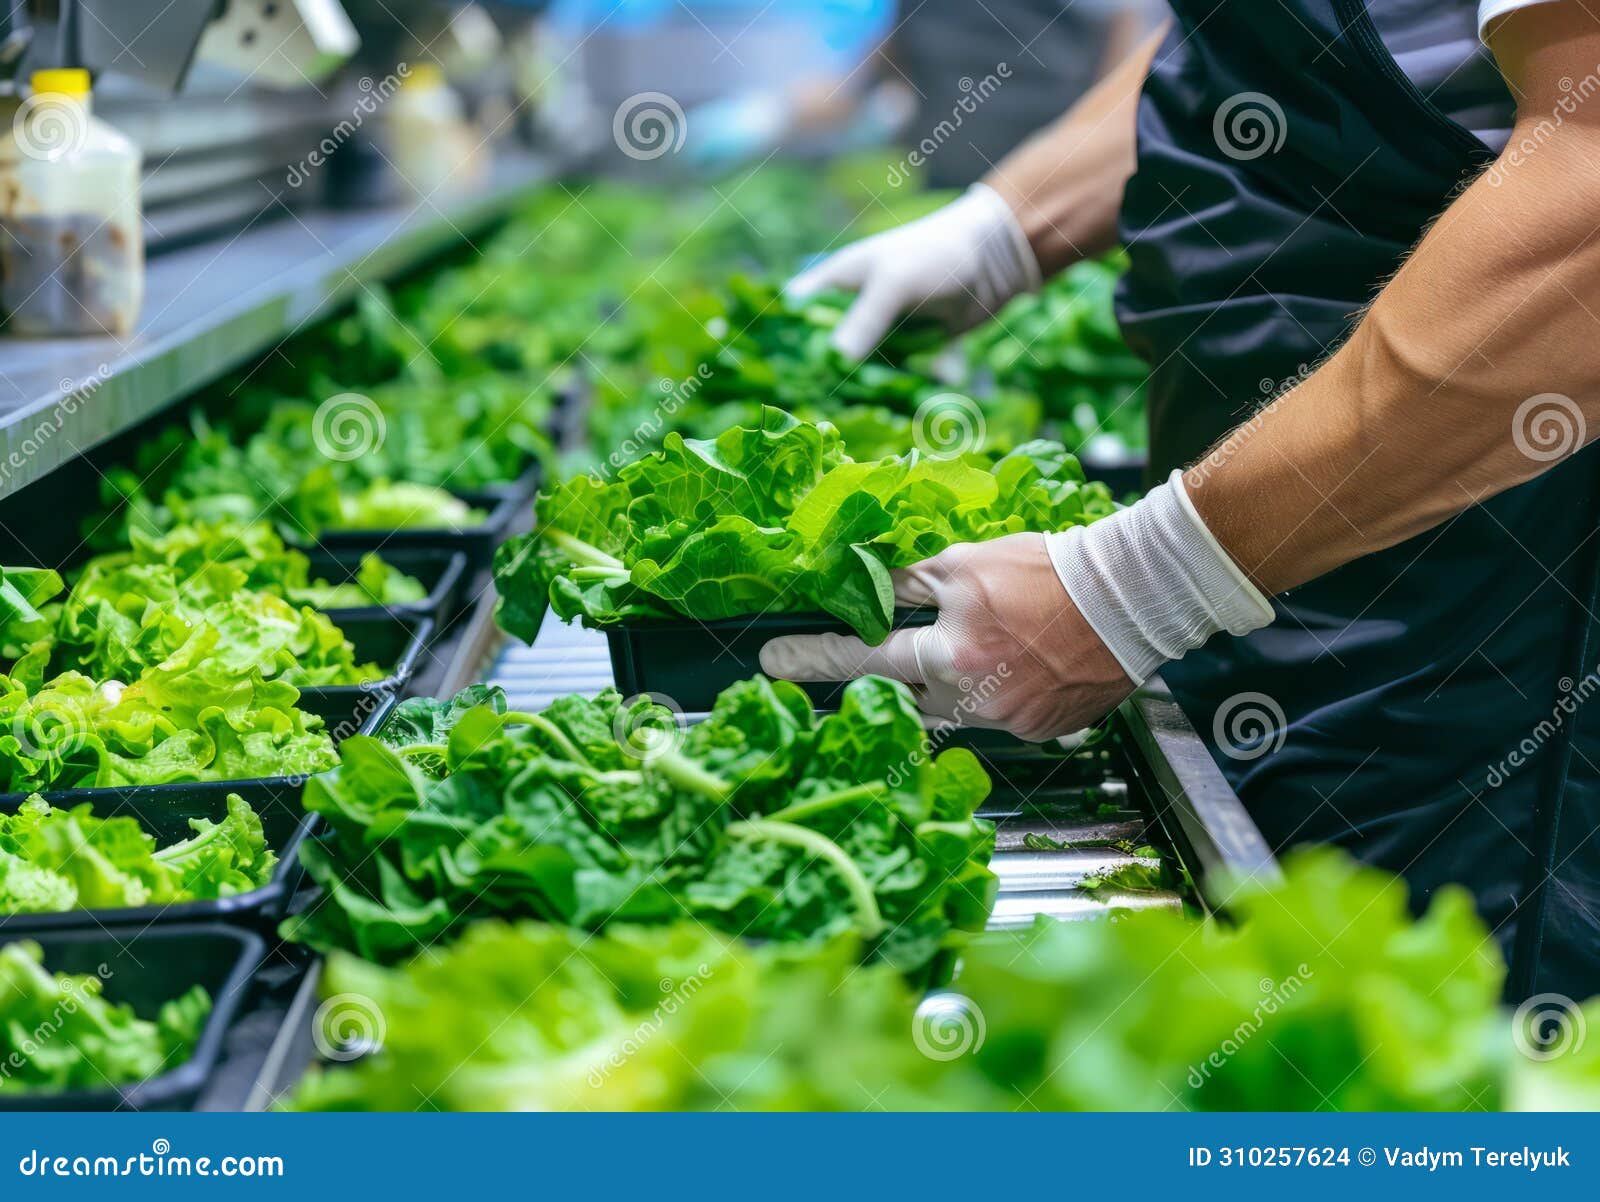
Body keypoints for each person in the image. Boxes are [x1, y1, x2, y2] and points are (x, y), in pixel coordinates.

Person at [759, 0, 1600, 1000]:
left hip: (1485, 598)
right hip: (1277, 546)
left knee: (1444, 1040)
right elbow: (1273, 48)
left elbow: (1584, 196)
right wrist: (1004, 230)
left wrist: (1140, 584)